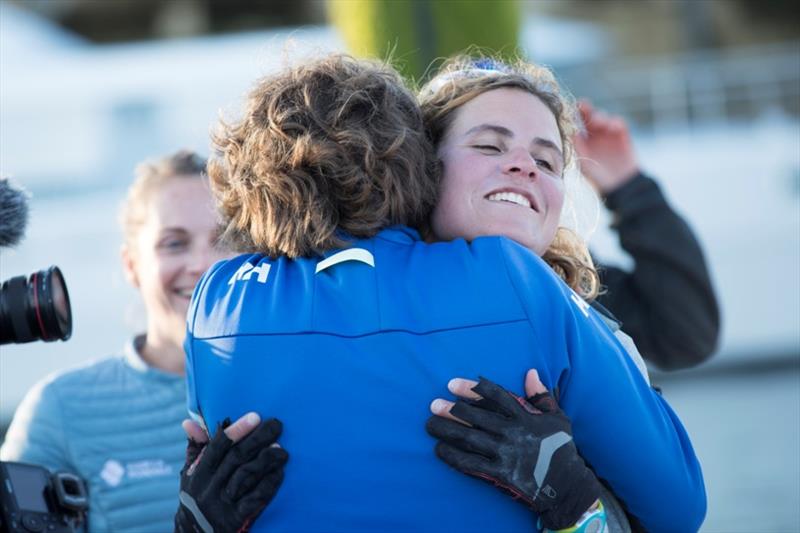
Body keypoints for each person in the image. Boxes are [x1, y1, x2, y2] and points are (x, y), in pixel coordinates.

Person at [185, 54, 705, 533]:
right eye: (488, 145)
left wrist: (577, 504)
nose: (525, 165)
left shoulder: (220, 299)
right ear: (422, 163)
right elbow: (678, 506)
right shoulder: (517, 284)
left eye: (547, 161)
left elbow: (686, 332)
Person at [0, 151, 231, 532]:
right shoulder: (62, 409)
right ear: (131, 264)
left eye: (225, 239)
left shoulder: (305, 389)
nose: (202, 264)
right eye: (174, 243)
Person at [573, 101, 720, 370]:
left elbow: (683, 338)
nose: (523, 165)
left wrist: (628, 188)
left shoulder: (563, 272)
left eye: (543, 157)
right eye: (489, 146)